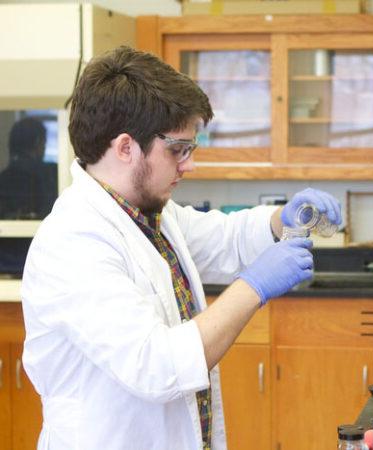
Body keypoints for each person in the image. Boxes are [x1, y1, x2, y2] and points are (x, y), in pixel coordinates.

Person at [20, 46, 341, 450]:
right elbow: (156, 365)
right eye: (178, 149)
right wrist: (253, 287)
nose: (188, 165)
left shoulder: (149, 215)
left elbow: (222, 238)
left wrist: (281, 220)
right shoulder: (74, 242)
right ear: (124, 147)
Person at [0, 116, 57, 219]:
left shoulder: (3, 178)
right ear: (37, 141)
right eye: (44, 143)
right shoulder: (50, 174)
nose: (44, 148)